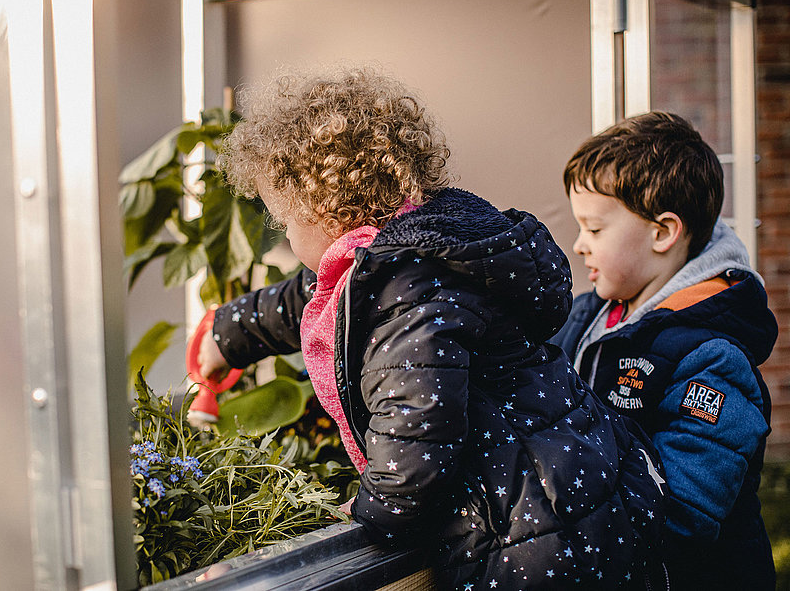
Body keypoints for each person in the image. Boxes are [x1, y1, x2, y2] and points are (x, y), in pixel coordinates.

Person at [196, 65, 666, 589]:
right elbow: (311, 298)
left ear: (323, 210)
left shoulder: (408, 290)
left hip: (531, 540)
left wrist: (371, 514)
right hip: (579, 490)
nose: (283, 234)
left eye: (284, 221)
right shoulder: (422, 248)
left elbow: (416, 432)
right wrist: (226, 331)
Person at [550, 111, 777, 590]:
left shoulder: (712, 361)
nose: (578, 245)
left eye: (594, 229)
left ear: (662, 233)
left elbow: (682, 514)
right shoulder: (586, 317)